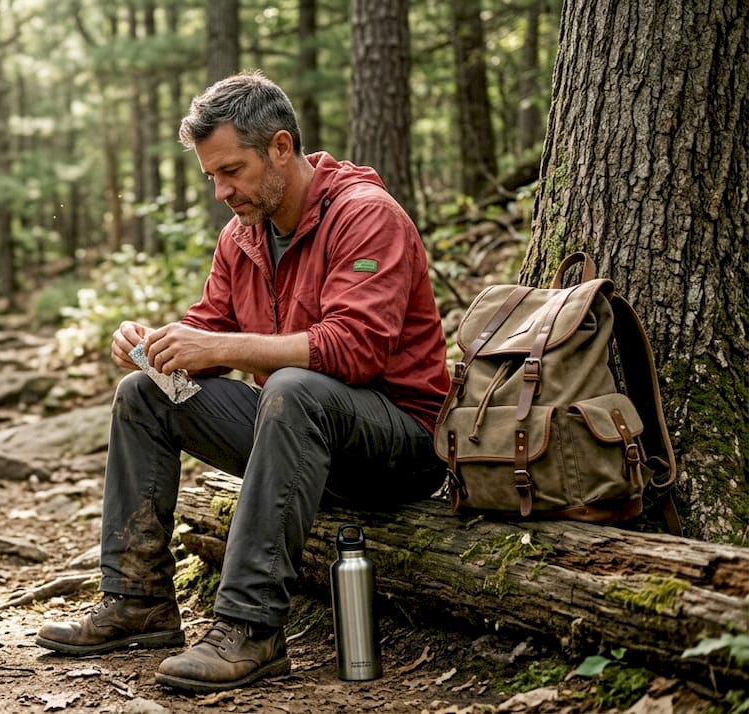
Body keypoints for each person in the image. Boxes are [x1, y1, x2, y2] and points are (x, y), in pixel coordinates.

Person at [35, 71, 450, 694]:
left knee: (292, 388)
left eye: (232, 171)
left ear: (280, 147)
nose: (221, 191)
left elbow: (356, 350)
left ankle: (250, 628)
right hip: (300, 438)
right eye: (212, 176)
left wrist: (219, 347)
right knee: (144, 395)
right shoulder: (243, 236)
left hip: (400, 447)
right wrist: (156, 347)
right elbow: (209, 330)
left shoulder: (366, 215)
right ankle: (137, 603)